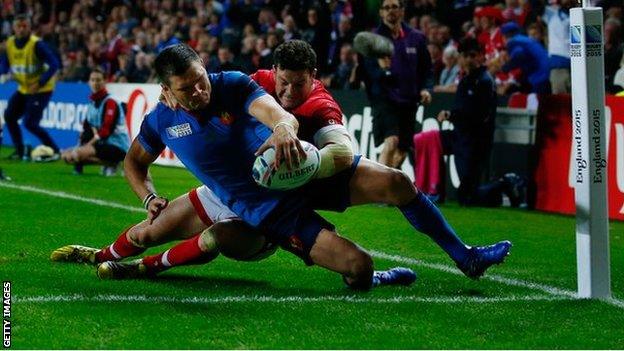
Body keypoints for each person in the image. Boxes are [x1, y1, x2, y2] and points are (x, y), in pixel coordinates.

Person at [52, 41, 511, 285]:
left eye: (199, 81)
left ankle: (462, 257)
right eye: (186, 88)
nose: (199, 91)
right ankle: (101, 256)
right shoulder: (163, 119)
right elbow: (135, 164)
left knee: (389, 197)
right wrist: (149, 195)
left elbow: (290, 122)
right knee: (147, 231)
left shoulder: (234, 84)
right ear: (166, 92)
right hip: (225, 195)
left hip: (298, 182)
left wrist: (285, 128)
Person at [415, 37, 524, 207]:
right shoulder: (467, 79)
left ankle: (505, 183)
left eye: (472, 55)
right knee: (422, 140)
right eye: (465, 55)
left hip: (474, 143)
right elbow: (464, 110)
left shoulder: (484, 81)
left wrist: (452, 116)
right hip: (461, 137)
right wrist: (451, 114)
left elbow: (478, 115)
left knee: (467, 197)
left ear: (480, 56)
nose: (468, 59)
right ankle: (431, 189)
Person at [356, 0, 433, 169]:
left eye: (394, 7)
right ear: (381, 13)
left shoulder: (416, 38)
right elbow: (368, 73)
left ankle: (386, 186)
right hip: (384, 99)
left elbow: (426, 69)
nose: (390, 11)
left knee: (402, 152)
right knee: (391, 141)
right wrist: (383, 71)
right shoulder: (373, 40)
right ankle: (378, 189)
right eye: (386, 8)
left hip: (409, 100)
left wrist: (426, 89)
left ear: (402, 11)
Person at [0, 14, 61, 162]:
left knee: (30, 123)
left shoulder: (37, 45)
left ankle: (55, 150)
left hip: (41, 89)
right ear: (14, 28)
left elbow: (54, 64)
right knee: (9, 116)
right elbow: (6, 63)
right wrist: (3, 73)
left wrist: (40, 82)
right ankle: (19, 151)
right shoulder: (9, 43)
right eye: (18, 26)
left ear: (29, 27)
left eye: (24, 26)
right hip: (24, 88)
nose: (21, 29)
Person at [60, 68, 130, 176]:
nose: (95, 83)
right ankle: (110, 164)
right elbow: (86, 129)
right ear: (89, 82)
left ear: (105, 81)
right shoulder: (92, 104)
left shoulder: (110, 102)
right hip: (102, 144)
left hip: (117, 146)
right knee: (65, 156)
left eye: (98, 80)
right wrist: (81, 144)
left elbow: (105, 131)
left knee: (76, 155)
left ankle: (117, 163)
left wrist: (86, 146)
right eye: (92, 80)